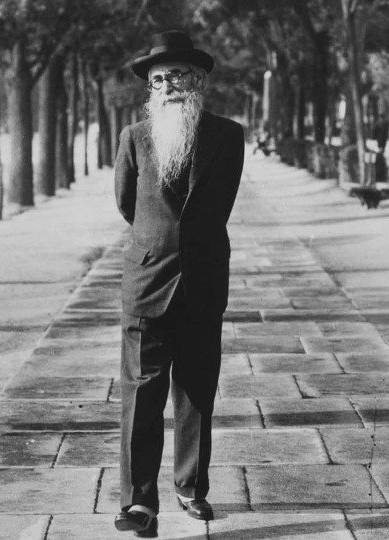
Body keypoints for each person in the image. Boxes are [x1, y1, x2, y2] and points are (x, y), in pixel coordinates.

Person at [113, 30, 244, 537]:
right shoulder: (134, 137)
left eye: (177, 76)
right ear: (150, 88)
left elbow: (221, 204)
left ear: (198, 81)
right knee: (141, 394)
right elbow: (127, 204)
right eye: (158, 79)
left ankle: (191, 487)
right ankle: (138, 502)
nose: (167, 85)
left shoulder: (227, 136)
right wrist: (159, 244)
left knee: (197, 390)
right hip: (148, 280)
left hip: (203, 277)